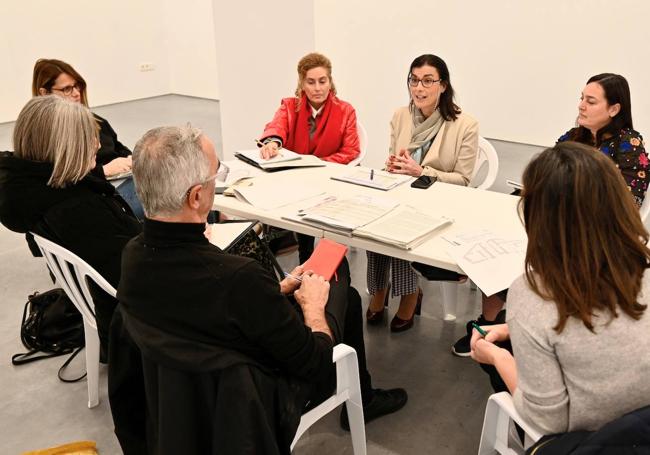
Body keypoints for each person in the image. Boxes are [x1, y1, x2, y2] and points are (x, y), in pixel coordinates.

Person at [111, 125, 406, 453]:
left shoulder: (134, 256)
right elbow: (313, 362)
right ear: (196, 197)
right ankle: (360, 399)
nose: (218, 181)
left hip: (180, 407)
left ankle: (361, 394)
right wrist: (312, 308)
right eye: (216, 174)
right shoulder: (237, 278)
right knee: (339, 287)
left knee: (337, 293)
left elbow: (203, 309)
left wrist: (274, 291)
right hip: (250, 405)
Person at [470, 141, 650, 435]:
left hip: (597, 443)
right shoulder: (640, 264)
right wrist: (513, 329)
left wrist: (497, 356)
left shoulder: (532, 295)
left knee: (499, 351)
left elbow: (547, 423)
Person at [0, 95, 141, 362]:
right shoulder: (77, 210)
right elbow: (136, 272)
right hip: (133, 321)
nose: (99, 146)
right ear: (64, 146)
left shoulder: (37, 192)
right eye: (89, 139)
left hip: (111, 304)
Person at [365, 54, 479, 332]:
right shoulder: (400, 115)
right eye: (414, 80)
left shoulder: (465, 124)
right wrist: (393, 167)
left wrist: (422, 172)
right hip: (403, 193)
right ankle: (378, 289)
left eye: (428, 81)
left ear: (443, 85)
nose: (419, 88)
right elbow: (392, 160)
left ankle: (409, 294)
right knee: (371, 223)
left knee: (401, 226)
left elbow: (463, 180)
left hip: (441, 202)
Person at [259, 52, 361, 263]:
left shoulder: (345, 111)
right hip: (297, 182)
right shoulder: (289, 106)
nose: (317, 88)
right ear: (302, 84)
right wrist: (272, 142)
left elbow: (351, 151)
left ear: (330, 82)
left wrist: (316, 165)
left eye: (322, 81)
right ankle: (298, 254)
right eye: (311, 82)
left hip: (330, 181)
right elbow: (277, 126)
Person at [32, 58, 144, 219]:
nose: (77, 93)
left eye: (77, 86)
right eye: (67, 89)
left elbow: (119, 148)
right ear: (44, 93)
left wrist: (130, 160)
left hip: (120, 182)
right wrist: (103, 171)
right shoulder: (44, 135)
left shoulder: (96, 121)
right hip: (95, 196)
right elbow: (56, 179)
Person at [558, 73, 648, 207]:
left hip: (599, 223)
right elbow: (548, 175)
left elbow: (630, 204)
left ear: (613, 109)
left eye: (591, 102)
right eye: (581, 98)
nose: (581, 106)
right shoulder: (572, 137)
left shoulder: (629, 144)